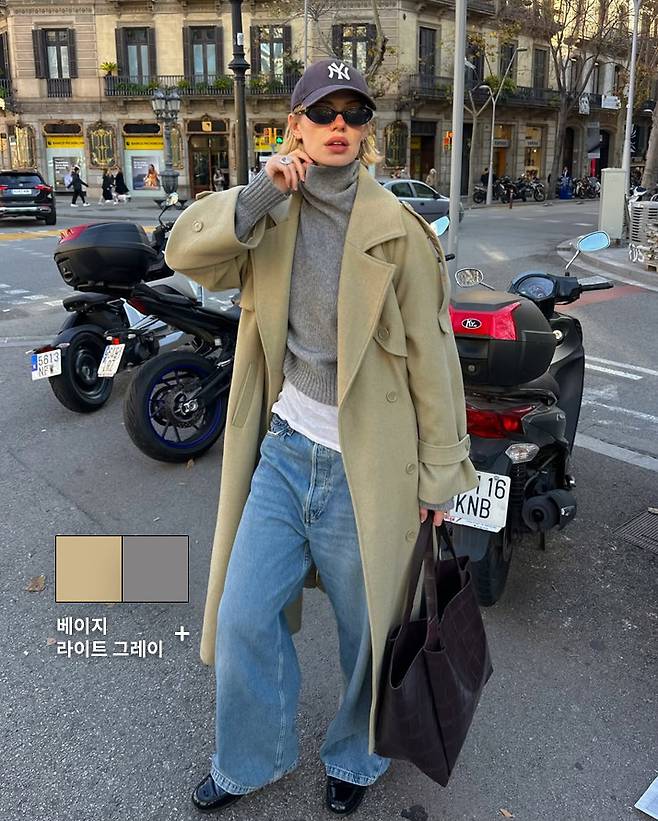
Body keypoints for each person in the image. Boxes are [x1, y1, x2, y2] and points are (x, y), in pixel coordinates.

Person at [165, 58, 477, 817]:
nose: (340, 125)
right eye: (323, 112)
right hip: (282, 451)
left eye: (354, 113)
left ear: (367, 131)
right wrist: (261, 191)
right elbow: (187, 254)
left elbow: (434, 361)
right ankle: (251, 757)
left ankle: (356, 756)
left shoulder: (400, 234)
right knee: (242, 615)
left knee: (368, 632)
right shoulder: (273, 211)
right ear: (295, 126)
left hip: (368, 464)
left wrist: (441, 475)